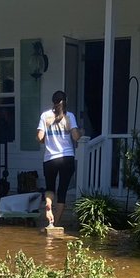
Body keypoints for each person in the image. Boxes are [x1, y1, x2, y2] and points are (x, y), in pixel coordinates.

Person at [36, 90, 80, 228]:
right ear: (65, 101)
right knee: (62, 192)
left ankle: (48, 205)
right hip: (66, 158)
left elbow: (39, 137)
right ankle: (56, 224)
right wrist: (81, 132)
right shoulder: (69, 117)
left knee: (50, 188)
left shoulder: (45, 116)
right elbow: (76, 137)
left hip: (50, 159)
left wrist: (46, 140)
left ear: (52, 102)